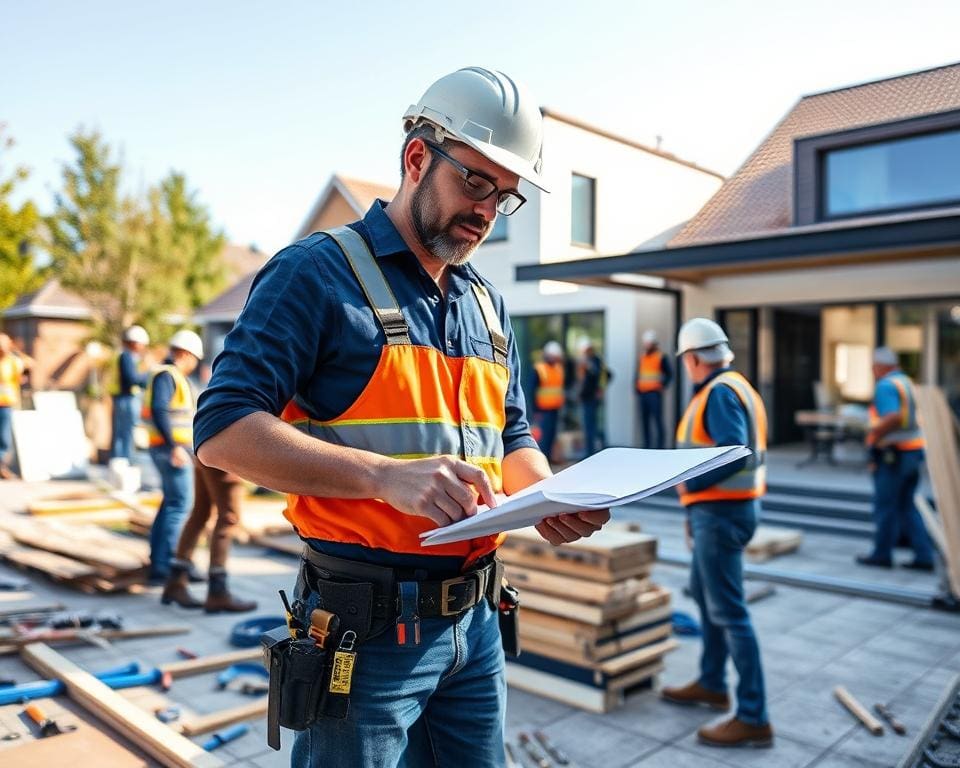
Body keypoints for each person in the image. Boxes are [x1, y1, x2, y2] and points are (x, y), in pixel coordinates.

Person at [194, 67, 610, 768]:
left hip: (475, 625)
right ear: (417, 157)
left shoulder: (486, 304)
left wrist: (544, 495)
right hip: (365, 631)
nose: (486, 210)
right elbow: (223, 431)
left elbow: (508, 433)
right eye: (476, 182)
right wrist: (384, 478)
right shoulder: (315, 275)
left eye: (504, 197)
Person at [661, 317, 773, 748]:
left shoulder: (720, 392)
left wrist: (690, 487)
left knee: (729, 612)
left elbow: (733, 453)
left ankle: (753, 715)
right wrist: (694, 512)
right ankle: (711, 682)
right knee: (705, 594)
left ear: (692, 359)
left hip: (722, 514)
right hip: (723, 512)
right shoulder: (735, 386)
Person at [856, 347, 934, 571]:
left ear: (881, 366)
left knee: (886, 506)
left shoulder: (886, 385)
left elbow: (893, 416)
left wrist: (874, 434)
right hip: (912, 451)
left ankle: (882, 554)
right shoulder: (906, 382)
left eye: (873, 366)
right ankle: (924, 556)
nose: (872, 370)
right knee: (907, 505)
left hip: (894, 454)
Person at [142, 329, 203, 585]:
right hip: (171, 450)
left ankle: (159, 564)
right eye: (194, 360)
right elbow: (160, 410)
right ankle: (168, 566)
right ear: (187, 354)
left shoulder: (166, 375)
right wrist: (174, 447)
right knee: (180, 506)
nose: (194, 365)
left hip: (167, 448)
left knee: (170, 503)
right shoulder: (167, 376)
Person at [109, 325, 150, 461]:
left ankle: (120, 461)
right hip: (125, 398)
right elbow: (131, 378)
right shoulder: (126, 356)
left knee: (122, 432)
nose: (143, 347)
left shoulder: (125, 356)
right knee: (125, 432)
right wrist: (148, 377)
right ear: (134, 343)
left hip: (123, 397)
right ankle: (123, 461)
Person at [0, 333, 33, 479]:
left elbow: (30, 364)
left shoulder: (13, 361)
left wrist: (15, 351)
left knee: (4, 438)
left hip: (6, 404)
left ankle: (1, 466)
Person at [636, 329, 672, 449]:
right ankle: (646, 447)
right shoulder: (642, 357)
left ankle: (660, 447)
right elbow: (638, 374)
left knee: (657, 421)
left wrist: (663, 385)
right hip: (643, 394)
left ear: (654, 343)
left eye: (649, 343)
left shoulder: (661, 357)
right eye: (645, 343)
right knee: (644, 422)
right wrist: (636, 388)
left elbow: (669, 374)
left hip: (654, 394)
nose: (646, 345)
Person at [577, 337, 609, 457]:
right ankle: (590, 452)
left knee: (590, 427)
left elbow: (606, 375)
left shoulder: (593, 361)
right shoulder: (590, 361)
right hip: (587, 398)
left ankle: (590, 453)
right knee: (589, 426)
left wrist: (600, 389)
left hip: (591, 399)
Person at [533, 340, 565, 462]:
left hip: (555, 408)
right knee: (544, 437)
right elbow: (532, 391)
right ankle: (543, 460)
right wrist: (535, 410)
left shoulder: (558, 369)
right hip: (543, 409)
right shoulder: (539, 369)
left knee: (552, 435)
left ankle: (550, 459)